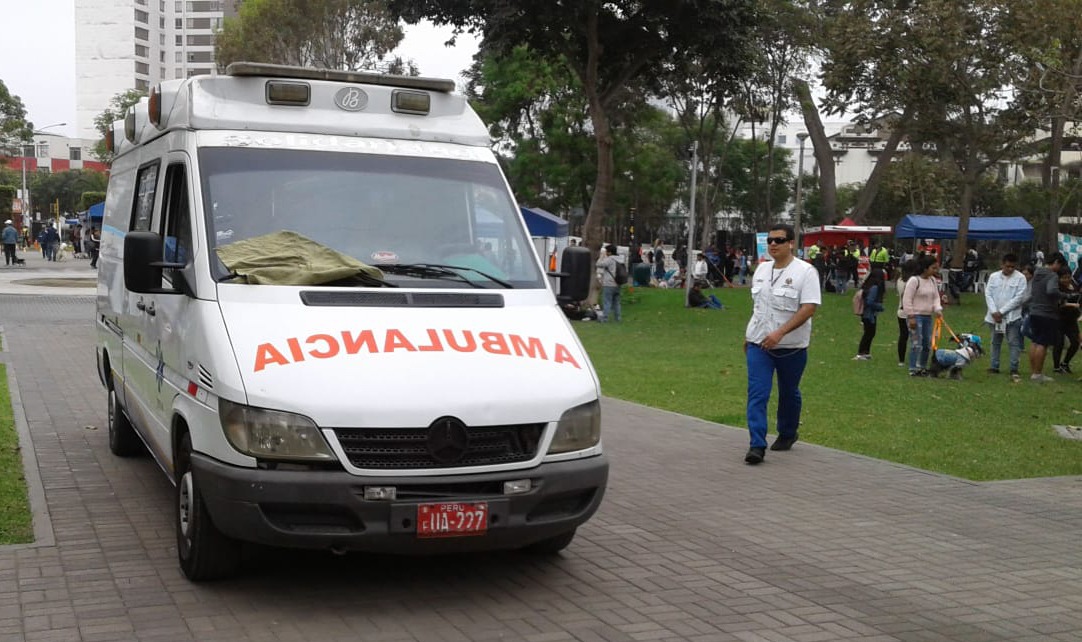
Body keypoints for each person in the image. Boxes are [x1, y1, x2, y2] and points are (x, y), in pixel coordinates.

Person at [742, 223, 821, 465]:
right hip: (759, 345)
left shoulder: (806, 272)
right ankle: (757, 445)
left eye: (779, 240)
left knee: (789, 392)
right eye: (770, 240)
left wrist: (780, 333)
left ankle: (788, 432)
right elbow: (759, 307)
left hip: (791, 347)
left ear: (791, 244)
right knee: (758, 393)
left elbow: (809, 308)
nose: (773, 244)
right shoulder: (762, 269)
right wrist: (749, 336)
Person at [1025, 252, 1068, 382]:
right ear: (1056, 262)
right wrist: (1064, 295)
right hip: (1047, 313)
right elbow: (1051, 290)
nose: (1059, 269)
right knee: (1042, 343)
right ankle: (1038, 374)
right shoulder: (1052, 275)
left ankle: (1033, 371)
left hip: (1034, 311)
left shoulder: (1037, 273)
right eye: (1060, 265)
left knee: (1035, 341)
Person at [983, 253, 1026, 382]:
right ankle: (994, 366)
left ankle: (1014, 367)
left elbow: (1019, 298)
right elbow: (988, 294)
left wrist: (1002, 312)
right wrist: (994, 311)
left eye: (1013, 267)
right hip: (994, 316)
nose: (1010, 269)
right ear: (1002, 264)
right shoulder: (994, 277)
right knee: (995, 341)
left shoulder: (1020, 278)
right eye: (1008, 266)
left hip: (1012, 316)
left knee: (1013, 342)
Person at [902, 255, 943, 377]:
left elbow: (936, 297)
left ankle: (922, 367)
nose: (935, 271)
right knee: (916, 343)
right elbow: (907, 299)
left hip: (927, 316)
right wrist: (911, 316)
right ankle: (913, 368)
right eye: (933, 268)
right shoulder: (914, 281)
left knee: (927, 343)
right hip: (916, 316)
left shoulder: (932, 281)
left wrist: (938, 309)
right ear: (925, 268)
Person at [1052, 267, 1081, 374]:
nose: (1066, 280)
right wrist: (1073, 304)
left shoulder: (1074, 285)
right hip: (1059, 319)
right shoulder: (1057, 288)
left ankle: (1065, 363)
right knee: (1059, 343)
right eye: (1064, 278)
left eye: (1068, 277)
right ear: (1059, 278)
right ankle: (1056, 367)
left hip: (1072, 319)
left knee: (1075, 342)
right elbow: (1059, 304)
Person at [854, 267, 886, 360]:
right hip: (869, 314)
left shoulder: (868, 286)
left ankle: (866, 352)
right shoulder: (875, 287)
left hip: (866, 313)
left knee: (869, 332)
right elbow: (870, 301)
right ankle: (861, 352)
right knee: (869, 333)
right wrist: (879, 307)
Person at [895, 259, 919, 367]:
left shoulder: (900, 280)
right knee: (915, 337)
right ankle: (915, 359)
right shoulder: (912, 282)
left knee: (903, 336)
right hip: (910, 312)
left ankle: (901, 360)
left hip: (901, 311)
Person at [596, 244, 624, 323]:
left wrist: (602, 256)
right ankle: (618, 318)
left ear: (610, 252)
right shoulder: (620, 259)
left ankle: (605, 318)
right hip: (618, 283)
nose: (606, 253)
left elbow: (598, 264)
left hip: (609, 283)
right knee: (616, 302)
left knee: (607, 301)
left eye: (606, 251)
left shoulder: (610, 259)